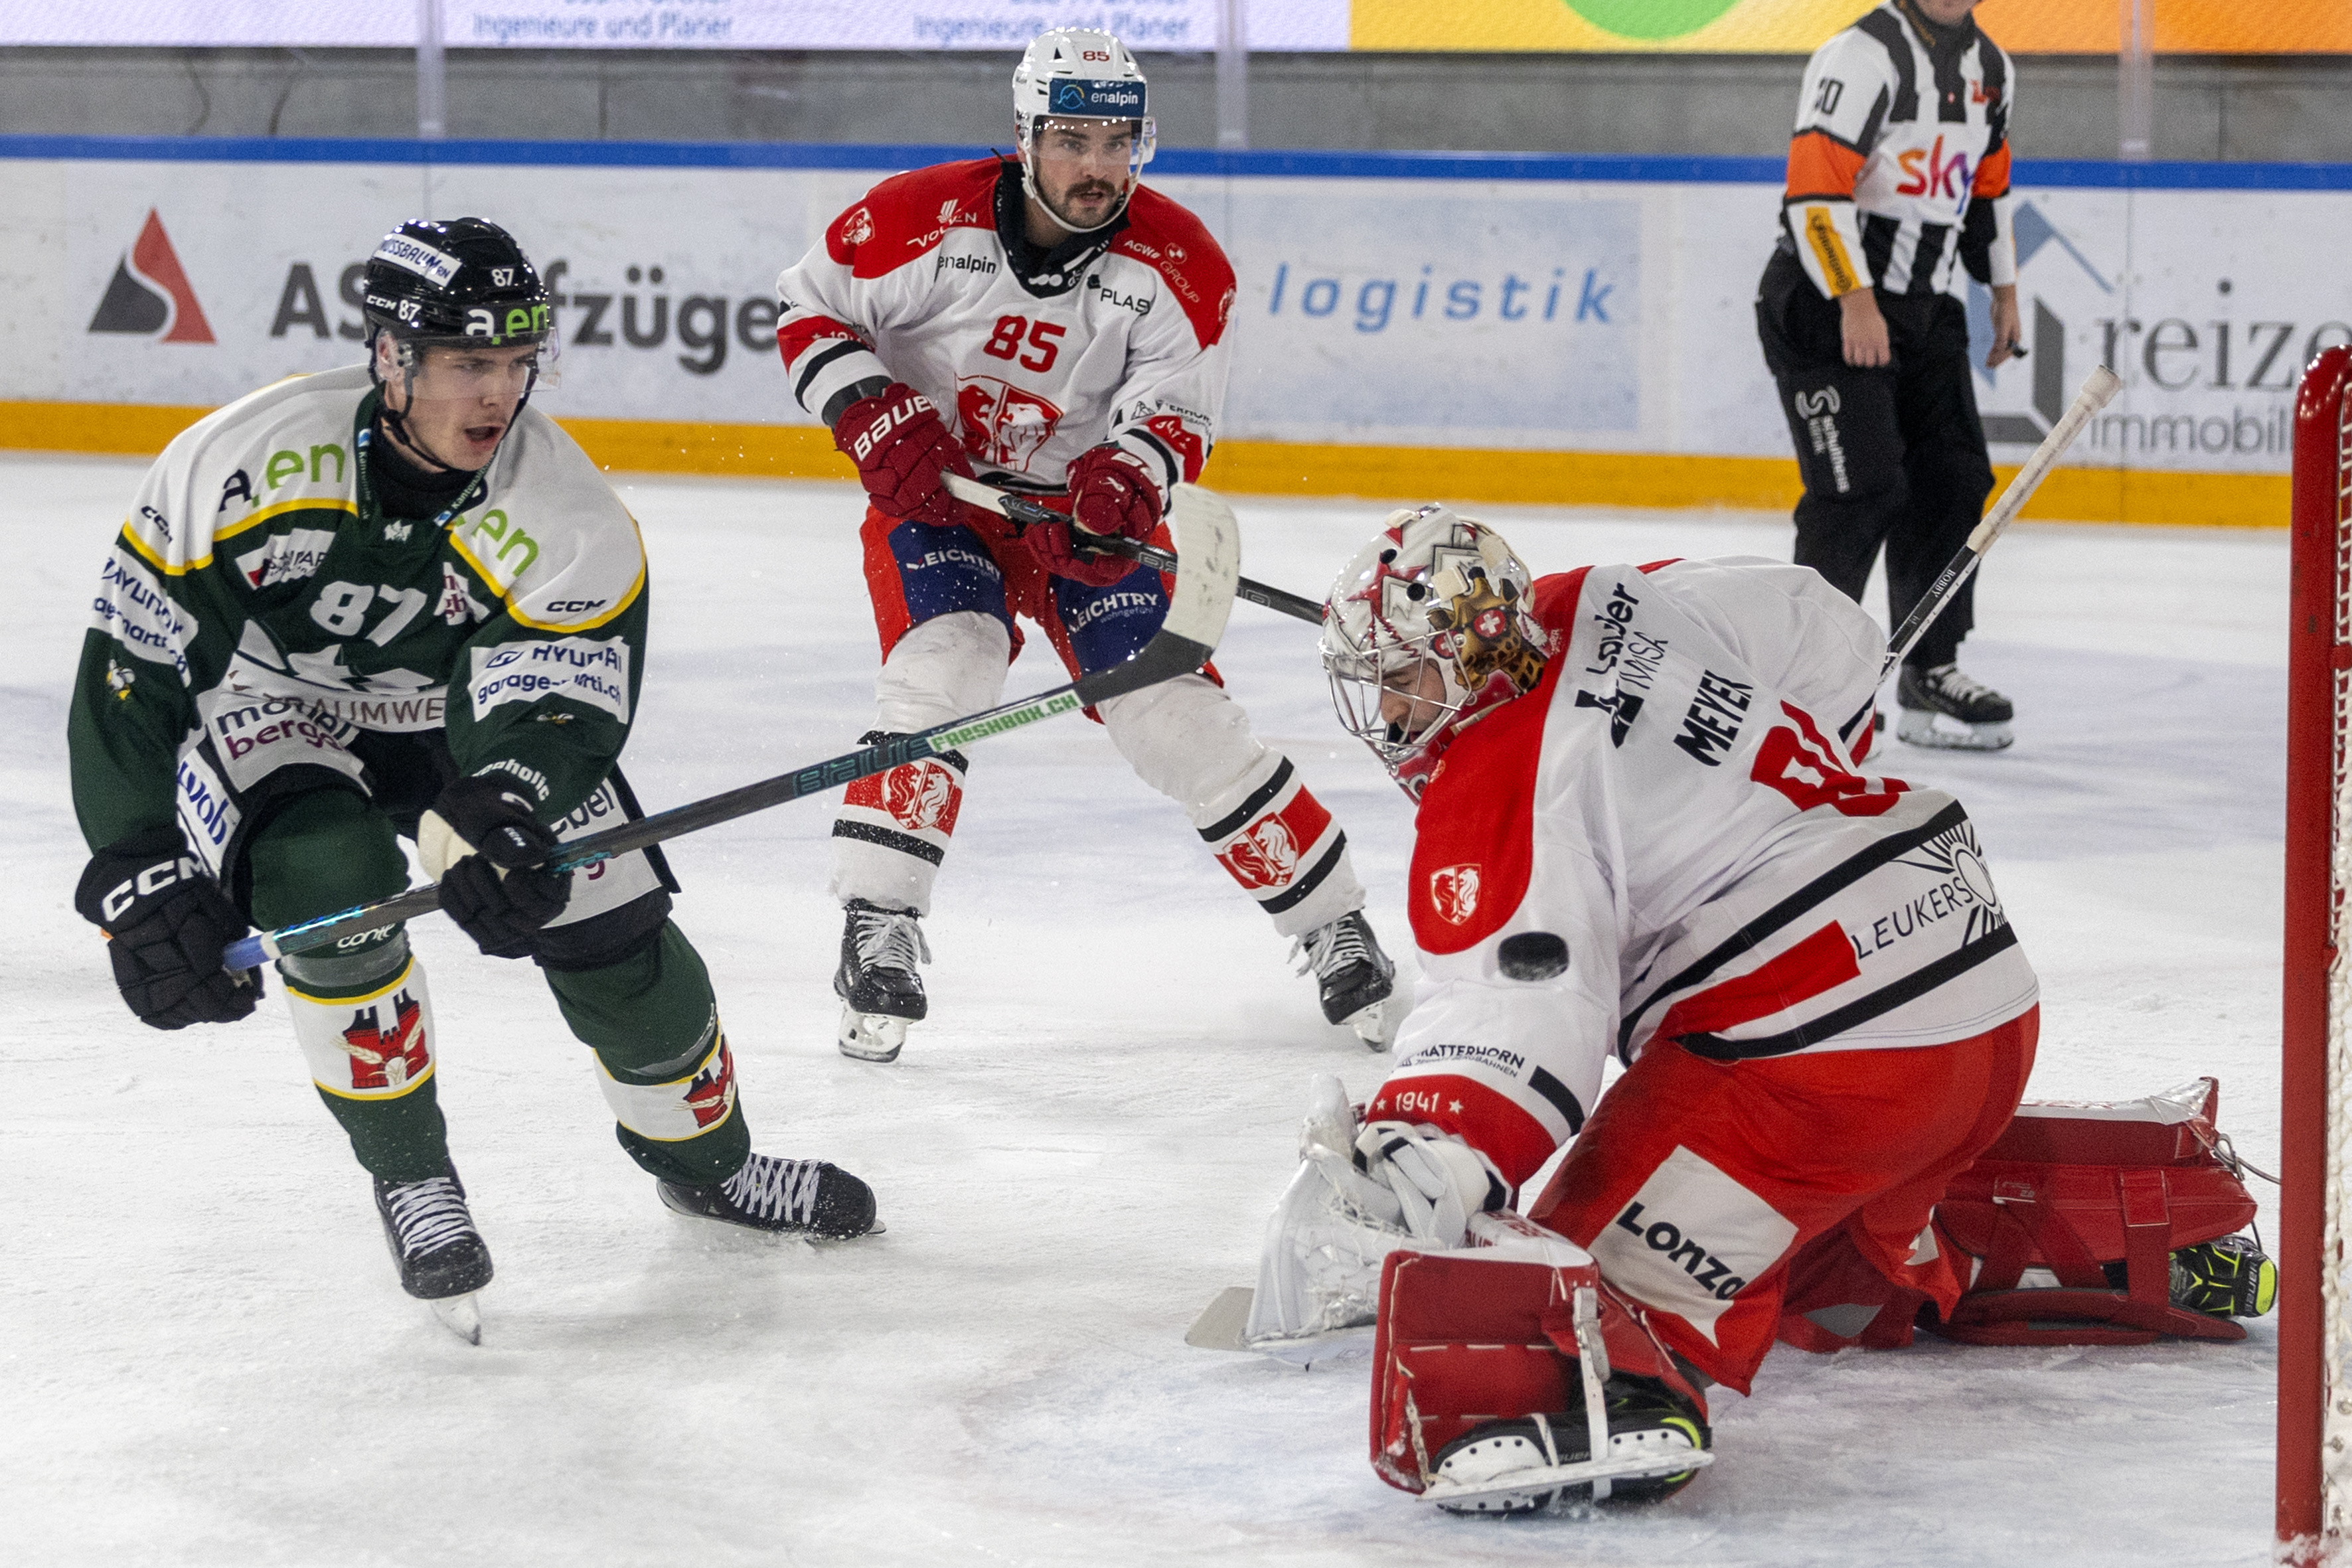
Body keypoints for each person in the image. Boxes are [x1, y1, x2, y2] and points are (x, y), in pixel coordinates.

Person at [68, 218, 878, 1338]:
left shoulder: (563, 508)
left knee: (618, 930)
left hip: (459, 726)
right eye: (465, 362)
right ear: (391, 358)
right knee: (327, 885)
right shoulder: (237, 462)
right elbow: (134, 670)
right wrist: (137, 861)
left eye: (514, 361)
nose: (496, 393)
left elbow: (563, 703)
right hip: (272, 708)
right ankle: (410, 1171)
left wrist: (506, 798)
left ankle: (711, 1165)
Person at [1251, 505, 2043, 1501]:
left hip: (1830, 1064)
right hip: (1980, 987)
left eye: (1400, 678)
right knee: (1825, 1273)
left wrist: (1423, 1147)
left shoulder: (1501, 783)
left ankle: (1613, 1391)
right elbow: (1823, 625)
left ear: (1464, 653)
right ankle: (2005, 1238)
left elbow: (1520, 1009)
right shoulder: (1608, 594)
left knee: (1553, 1306)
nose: (1394, 715)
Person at [769, 28, 1398, 1063]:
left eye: (1119, 141)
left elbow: (1177, 415)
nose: (1097, 166)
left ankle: (1331, 923)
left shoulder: (1180, 265)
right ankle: (879, 923)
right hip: (945, 501)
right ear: (1023, 135)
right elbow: (809, 309)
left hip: (1083, 525)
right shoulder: (920, 218)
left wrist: (1127, 480)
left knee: (1172, 714)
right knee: (947, 665)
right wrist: (876, 413)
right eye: (1072, 138)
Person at [1756, 0, 2023, 749]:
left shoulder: (1993, 70)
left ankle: (1928, 672)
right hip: (1822, 302)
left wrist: (2003, 290)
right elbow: (1813, 191)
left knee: (1956, 480)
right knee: (1862, 488)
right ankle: (1812, 684)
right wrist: (1855, 298)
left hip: (1925, 308)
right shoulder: (1859, 56)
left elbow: (1988, 191)